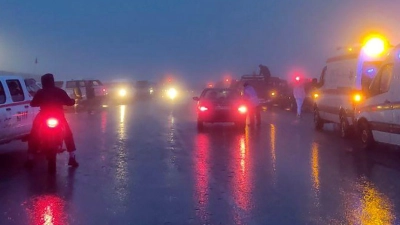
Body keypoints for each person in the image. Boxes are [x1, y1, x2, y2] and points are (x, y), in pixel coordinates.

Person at [26, 73, 79, 167]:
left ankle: (30, 158)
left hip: (43, 115)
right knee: (68, 134)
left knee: (34, 133)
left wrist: (35, 103)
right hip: (58, 115)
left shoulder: (40, 92)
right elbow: (68, 102)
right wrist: (73, 101)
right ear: (52, 81)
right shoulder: (60, 91)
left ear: (43, 82)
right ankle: (72, 157)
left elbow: (33, 103)